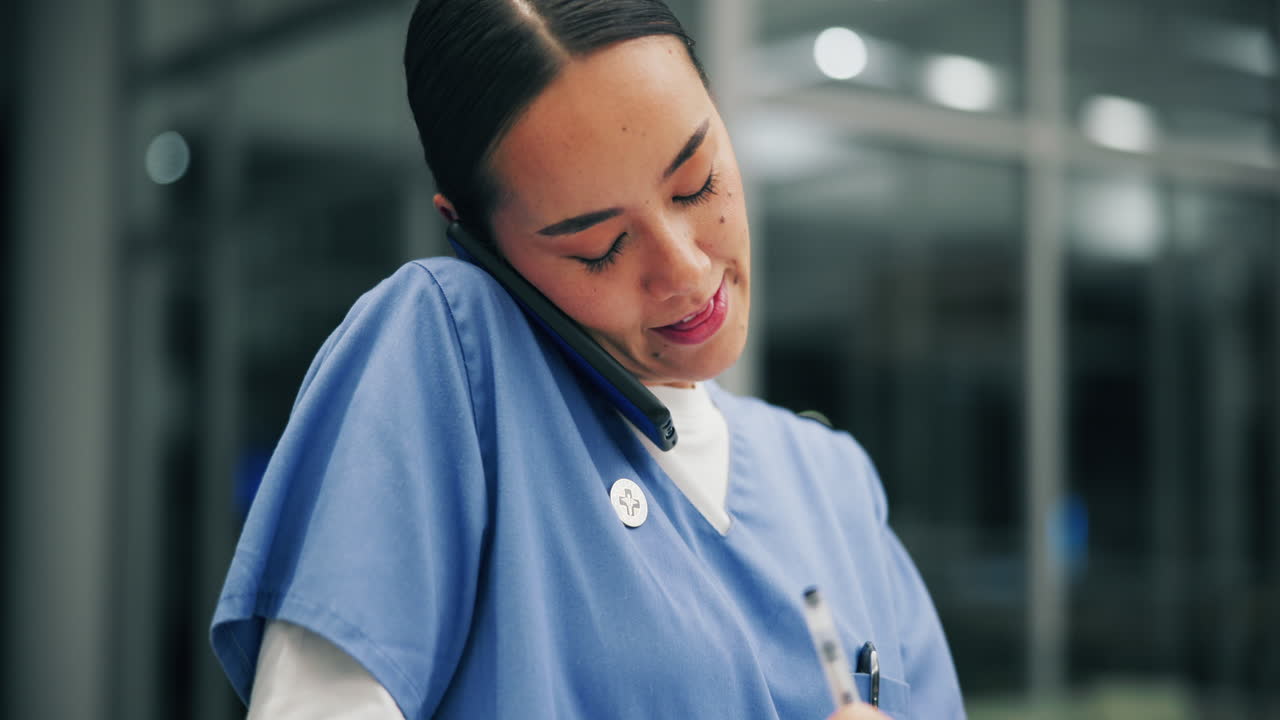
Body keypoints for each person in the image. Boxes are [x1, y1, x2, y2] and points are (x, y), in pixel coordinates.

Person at [209, 1, 965, 718]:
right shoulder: (449, 354)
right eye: (598, 248)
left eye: (697, 182)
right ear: (476, 240)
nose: (686, 272)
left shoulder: (833, 485)